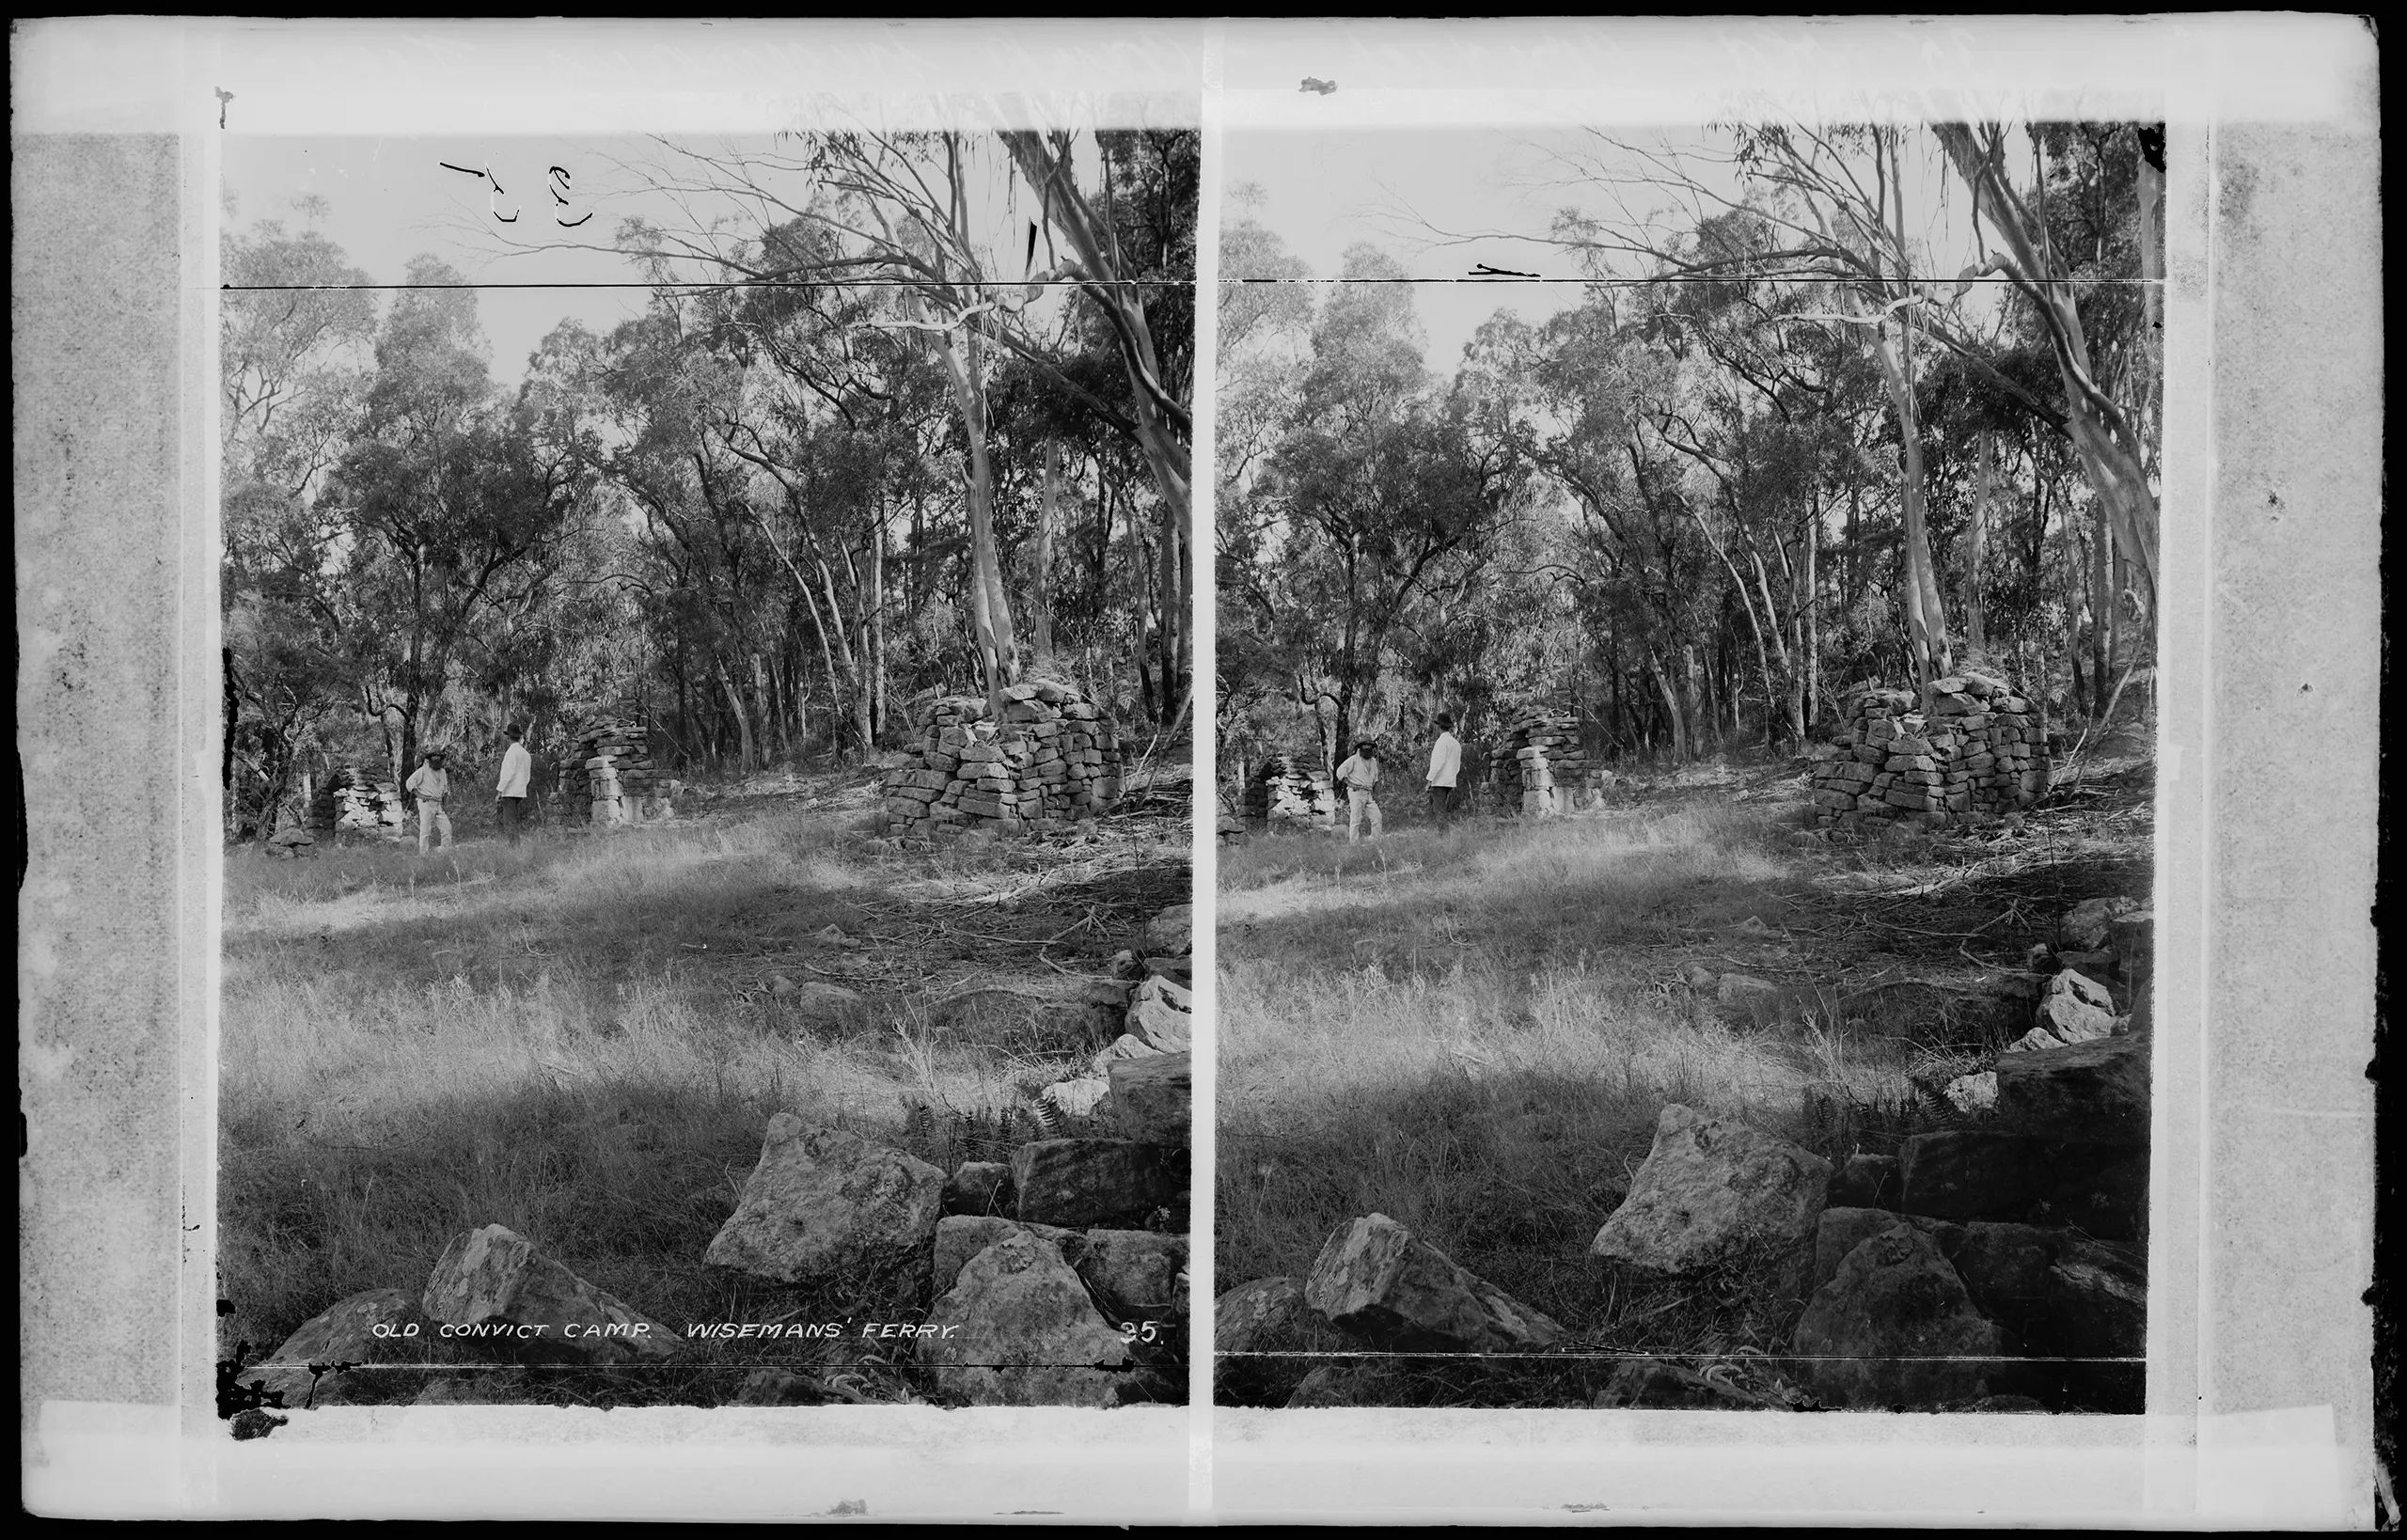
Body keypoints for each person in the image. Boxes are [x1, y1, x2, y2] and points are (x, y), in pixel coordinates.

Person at [404, 748, 454, 855]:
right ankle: (423, 854)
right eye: (434, 761)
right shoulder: (423, 771)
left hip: (438, 804)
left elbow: (445, 790)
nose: (436, 763)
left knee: (447, 827)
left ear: (441, 761)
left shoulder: (443, 772)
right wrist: (420, 795)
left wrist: (445, 805)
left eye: (439, 761)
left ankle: (445, 851)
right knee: (425, 830)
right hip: (426, 803)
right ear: (430, 760)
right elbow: (409, 783)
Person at [1333, 739, 1383, 843]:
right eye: (1365, 746)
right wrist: (1350, 784)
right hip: (1356, 792)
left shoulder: (1373, 762)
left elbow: (1376, 780)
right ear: (1360, 747)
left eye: (1369, 746)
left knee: (1377, 817)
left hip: (1369, 793)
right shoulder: (1353, 760)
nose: (1367, 748)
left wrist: (1376, 794)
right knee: (1356, 819)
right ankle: (1354, 844)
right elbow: (1340, 772)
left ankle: (1375, 841)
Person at [495, 724, 532, 845]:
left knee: (509, 821)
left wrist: (499, 791)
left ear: (508, 737)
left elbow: (507, 774)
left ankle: (514, 846)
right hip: (520, 791)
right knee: (513, 819)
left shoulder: (511, 753)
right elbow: (527, 775)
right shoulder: (525, 754)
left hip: (509, 791)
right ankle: (515, 844)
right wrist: (522, 786)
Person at [1425, 713, 1462, 830]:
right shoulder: (1455, 743)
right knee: (1442, 809)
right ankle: (1442, 834)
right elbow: (1457, 765)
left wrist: (1429, 781)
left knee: (1439, 811)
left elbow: (1437, 763)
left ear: (1439, 727)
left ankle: (1444, 836)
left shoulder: (1441, 742)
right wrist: (1452, 776)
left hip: (1439, 782)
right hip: (1450, 781)